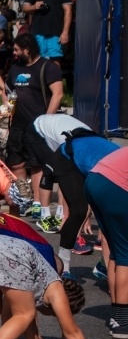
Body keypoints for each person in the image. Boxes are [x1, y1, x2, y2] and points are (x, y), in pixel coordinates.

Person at [30, 115, 116, 278]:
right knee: (79, 211)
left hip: (90, 156)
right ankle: (64, 267)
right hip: (67, 156)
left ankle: (104, 266)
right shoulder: (116, 175)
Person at [6, 33, 64, 229]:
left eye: (16, 50)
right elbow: (9, 92)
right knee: (16, 162)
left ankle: (38, 204)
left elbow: (58, 94)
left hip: (39, 122)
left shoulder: (47, 67)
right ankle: (25, 199)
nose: (14, 53)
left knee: (37, 164)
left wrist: (46, 120)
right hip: (17, 123)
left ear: (27, 49)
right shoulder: (15, 68)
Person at [85, 146, 128, 338]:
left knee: (117, 252)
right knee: (126, 254)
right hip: (115, 184)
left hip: (96, 178)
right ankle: (122, 321)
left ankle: (117, 314)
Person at [22, 0, 73, 65]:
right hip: (37, 32)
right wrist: (34, 7)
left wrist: (65, 32)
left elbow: (68, 10)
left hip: (55, 32)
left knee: (55, 60)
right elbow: (25, 7)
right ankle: (40, 81)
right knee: (37, 59)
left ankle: (55, 80)